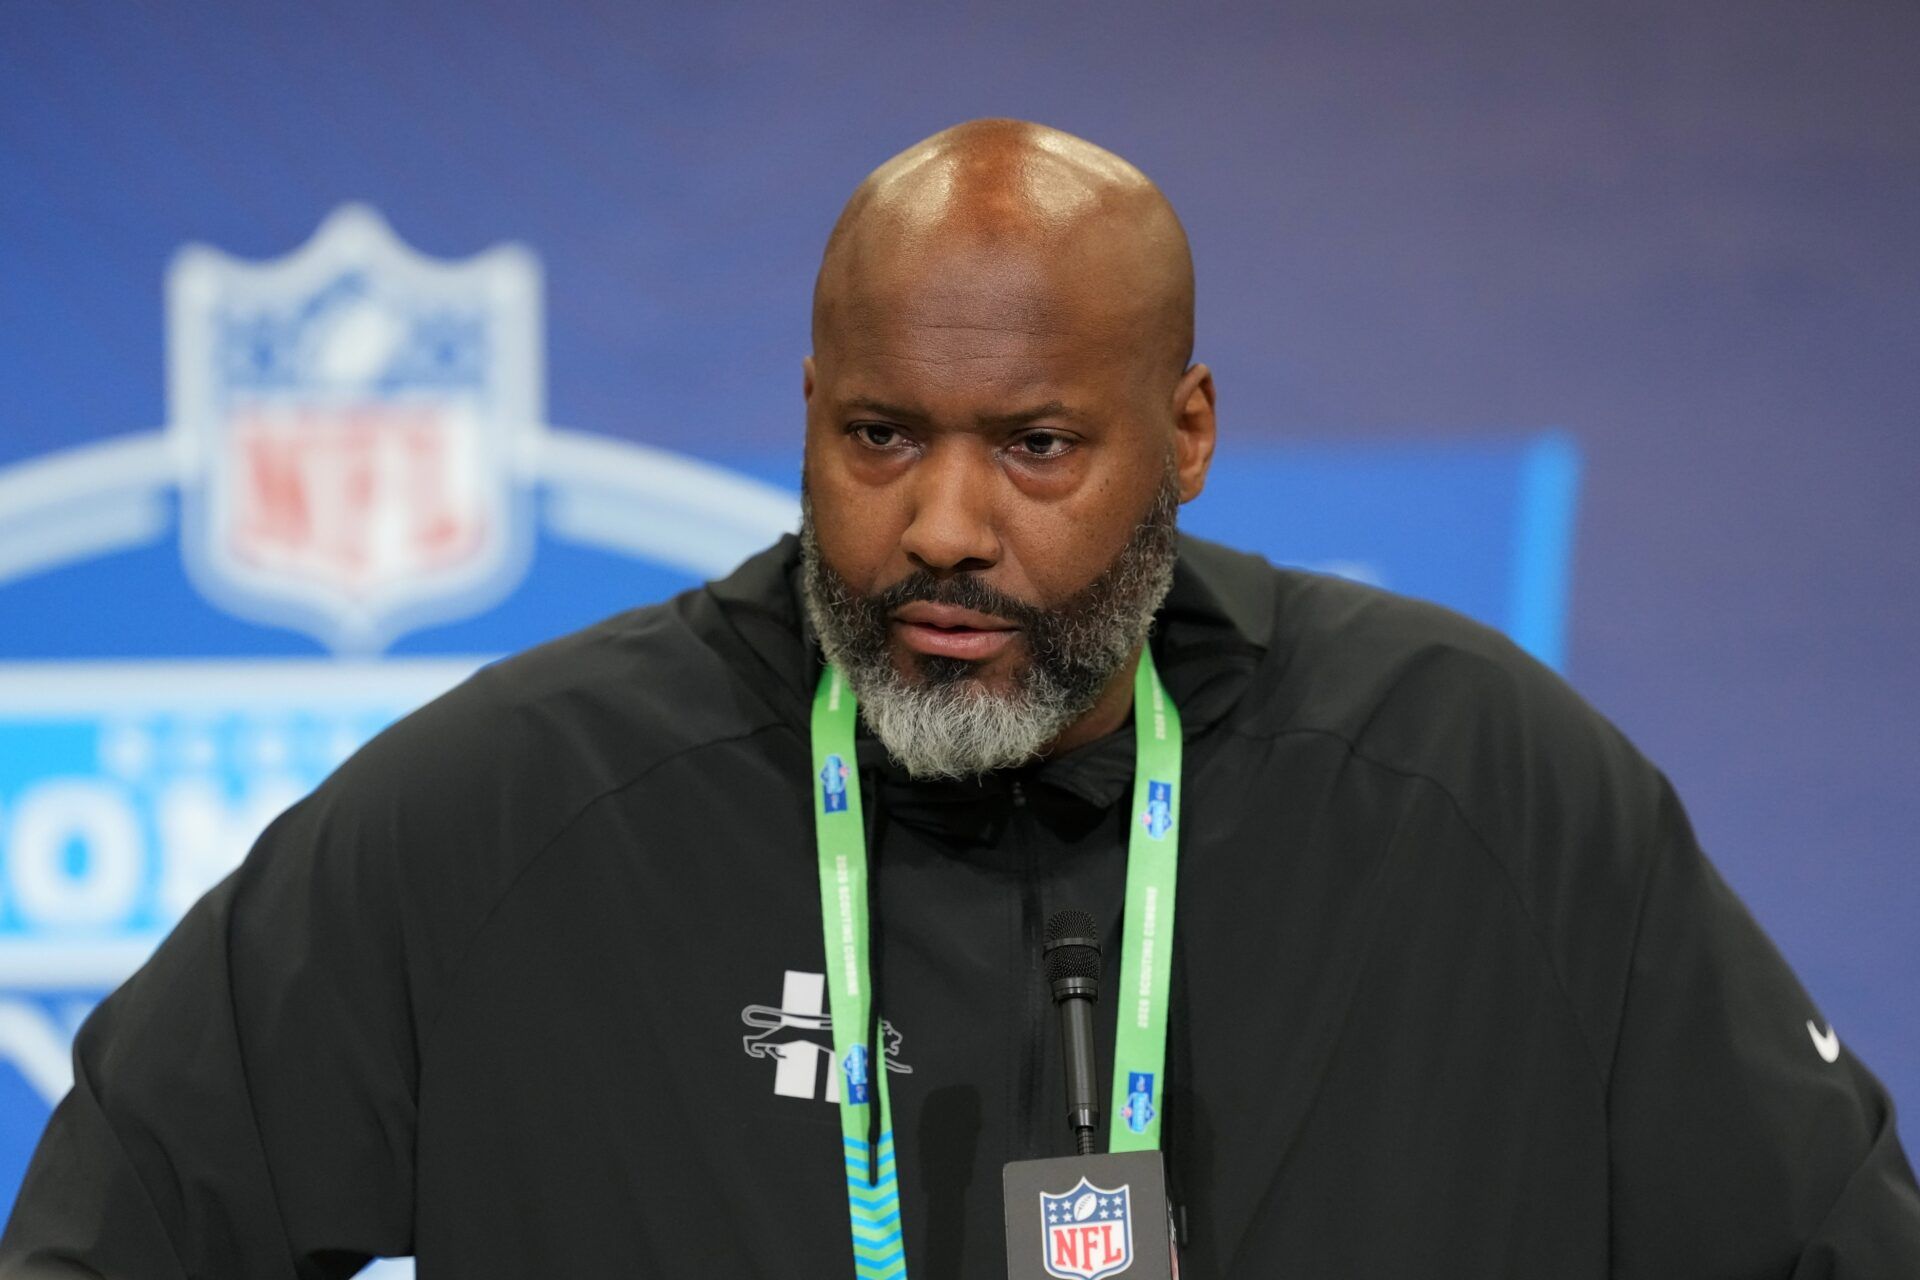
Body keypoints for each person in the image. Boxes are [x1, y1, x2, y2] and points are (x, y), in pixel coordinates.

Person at [4, 119, 1917, 1279]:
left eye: (1036, 445)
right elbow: (117, 1227)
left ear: (1187, 439)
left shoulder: (1475, 790)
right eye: (880, 436)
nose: (939, 524)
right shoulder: (521, 810)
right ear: (808, 419)